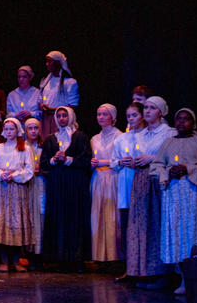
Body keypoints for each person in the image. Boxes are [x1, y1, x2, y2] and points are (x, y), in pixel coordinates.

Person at [151, 108, 197, 295]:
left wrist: (188, 169)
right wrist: (168, 172)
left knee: (195, 233)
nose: (181, 122)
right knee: (178, 234)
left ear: (193, 123)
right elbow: (156, 166)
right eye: (178, 119)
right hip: (174, 195)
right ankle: (183, 279)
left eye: (186, 119)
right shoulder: (168, 142)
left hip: (195, 195)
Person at [126, 96, 177, 289]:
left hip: (158, 180)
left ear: (161, 112)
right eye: (145, 108)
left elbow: (174, 157)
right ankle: (142, 271)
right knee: (140, 225)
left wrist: (152, 158)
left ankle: (161, 273)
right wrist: (132, 161)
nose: (147, 111)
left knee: (156, 224)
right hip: (140, 180)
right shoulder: (140, 134)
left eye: (152, 108)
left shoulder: (168, 133)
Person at [39, 106, 92, 271]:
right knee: (58, 217)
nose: (62, 119)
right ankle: (59, 258)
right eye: (59, 116)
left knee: (74, 218)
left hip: (75, 183)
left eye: (64, 115)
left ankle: (76, 258)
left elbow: (86, 160)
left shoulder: (80, 137)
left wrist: (69, 159)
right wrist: (55, 159)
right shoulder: (50, 139)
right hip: (57, 184)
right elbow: (44, 163)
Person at [0, 118, 36, 272]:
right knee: (1, 223)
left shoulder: (24, 148)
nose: (9, 132)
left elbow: (29, 170)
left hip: (16, 190)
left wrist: (14, 175)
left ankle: (16, 260)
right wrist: (1, 174)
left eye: (11, 129)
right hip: (0, 190)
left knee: (16, 222)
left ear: (17, 131)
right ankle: (3, 260)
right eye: (6, 129)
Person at [110, 102, 146, 282]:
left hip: (144, 186)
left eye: (134, 115)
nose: (131, 119)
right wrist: (119, 163)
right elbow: (112, 163)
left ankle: (145, 269)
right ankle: (129, 269)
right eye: (129, 116)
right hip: (126, 186)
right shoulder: (121, 139)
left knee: (143, 228)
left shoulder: (149, 136)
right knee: (126, 228)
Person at [90, 104, 124, 263]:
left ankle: (115, 256)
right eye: (98, 114)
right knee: (98, 215)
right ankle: (99, 256)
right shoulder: (94, 139)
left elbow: (121, 160)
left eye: (104, 114)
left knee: (111, 216)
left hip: (112, 177)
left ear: (112, 117)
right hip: (98, 177)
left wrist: (103, 161)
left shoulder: (119, 136)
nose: (101, 117)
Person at [38, 51, 79, 138]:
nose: (47, 64)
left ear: (58, 62)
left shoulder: (69, 82)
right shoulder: (46, 81)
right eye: (46, 61)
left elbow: (73, 105)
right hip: (46, 119)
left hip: (61, 120)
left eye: (50, 61)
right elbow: (41, 98)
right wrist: (42, 105)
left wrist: (54, 109)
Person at [24, 118, 46, 258]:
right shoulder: (22, 147)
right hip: (27, 185)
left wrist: (42, 169)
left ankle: (40, 252)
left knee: (40, 215)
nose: (33, 131)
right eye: (30, 128)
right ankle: (27, 253)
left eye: (36, 128)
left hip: (40, 183)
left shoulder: (44, 146)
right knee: (28, 215)